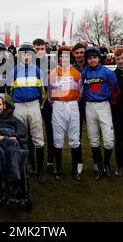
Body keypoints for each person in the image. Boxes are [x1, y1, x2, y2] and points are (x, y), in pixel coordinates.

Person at [6, 42, 48, 184]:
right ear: (19, 55)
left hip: (34, 106)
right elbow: (8, 91)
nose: (26, 57)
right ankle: (24, 168)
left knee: (38, 139)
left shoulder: (39, 71)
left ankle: (40, 171)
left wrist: (39, 106)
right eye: (23, 54)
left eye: (29, 54)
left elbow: (45, 91)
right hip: (19, 107)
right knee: (20, 138)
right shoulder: (13, 72)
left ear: (33, 55)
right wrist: (15, 103)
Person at [81, 46, 119, 180]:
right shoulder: (83, 73)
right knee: (93, 138)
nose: (92, 60)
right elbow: (80, 90)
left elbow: (115, 89)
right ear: (87, 60)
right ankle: (100, 166)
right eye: (89, 58)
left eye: (94, 58)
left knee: (108, 140)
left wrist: (112, 102)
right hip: (90, 107)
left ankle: (107, 165)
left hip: (104, 106)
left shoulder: (108, 72)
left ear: (99, 58)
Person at [49, 46, 83, 181]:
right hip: (58, 106)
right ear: (59, 58)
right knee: (58, 138)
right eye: (62, 56)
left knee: (74, 138)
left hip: (73, 105)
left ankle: (75, 170)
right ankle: (59, 170)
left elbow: (81, 93)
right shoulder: (52, 73)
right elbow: (49, 94)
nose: (64, 59)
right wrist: (59, 102)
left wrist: (70, 101)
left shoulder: (77, 73)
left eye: (67, 56)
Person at [33, 38, 57, 176]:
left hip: (48, 102)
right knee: (33, 132)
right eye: (37, 49)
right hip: (33, 101)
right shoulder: (28, 63)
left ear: (45, 49)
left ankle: (50, 162)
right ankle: (32, 163)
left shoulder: (51, 62)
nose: (39, 51)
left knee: (50, 132)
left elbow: (55, 82)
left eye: (42, 48)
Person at [111, 49, 123, 177]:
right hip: (117, 111)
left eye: (122, 58)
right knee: (119, 140)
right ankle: (119, 166)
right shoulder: (112, 75)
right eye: (117, 59)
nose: (120, 61)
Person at [71, 43, 87, 175]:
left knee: (95, 133)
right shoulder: (71, 69)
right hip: (77, 105)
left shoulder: (92, 64)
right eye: (77, 53)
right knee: (77, 133)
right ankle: (77, 160)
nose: (80, 55)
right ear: (73, 54)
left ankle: (97, 162)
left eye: (82, 52)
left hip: (93, 104)